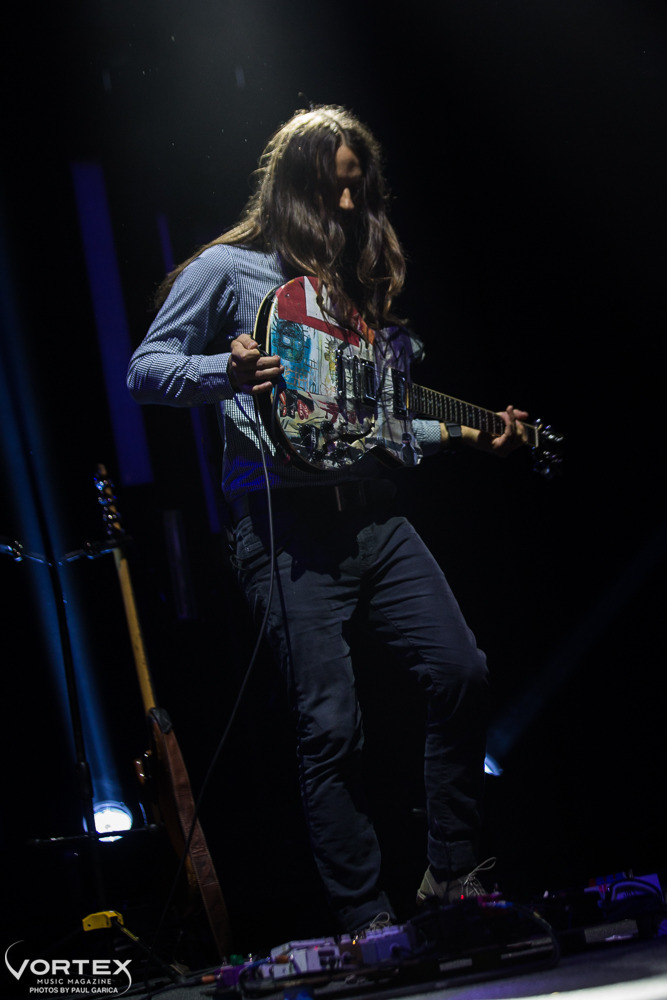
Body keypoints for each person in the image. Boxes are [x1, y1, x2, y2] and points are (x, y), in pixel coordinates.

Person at [127, 105, 528, 935]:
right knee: (331, 724)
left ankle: (451, 876)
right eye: (334, 190)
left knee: (461, 672)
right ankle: (364, 922)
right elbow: (145, 370)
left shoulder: (355, 292)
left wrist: (466, 432)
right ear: (297, 187)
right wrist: (223, 371)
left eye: (358, 191)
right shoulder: (228, 271)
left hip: (376, 520)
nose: (349, 208)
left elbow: (378, 419)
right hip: (285, 536)